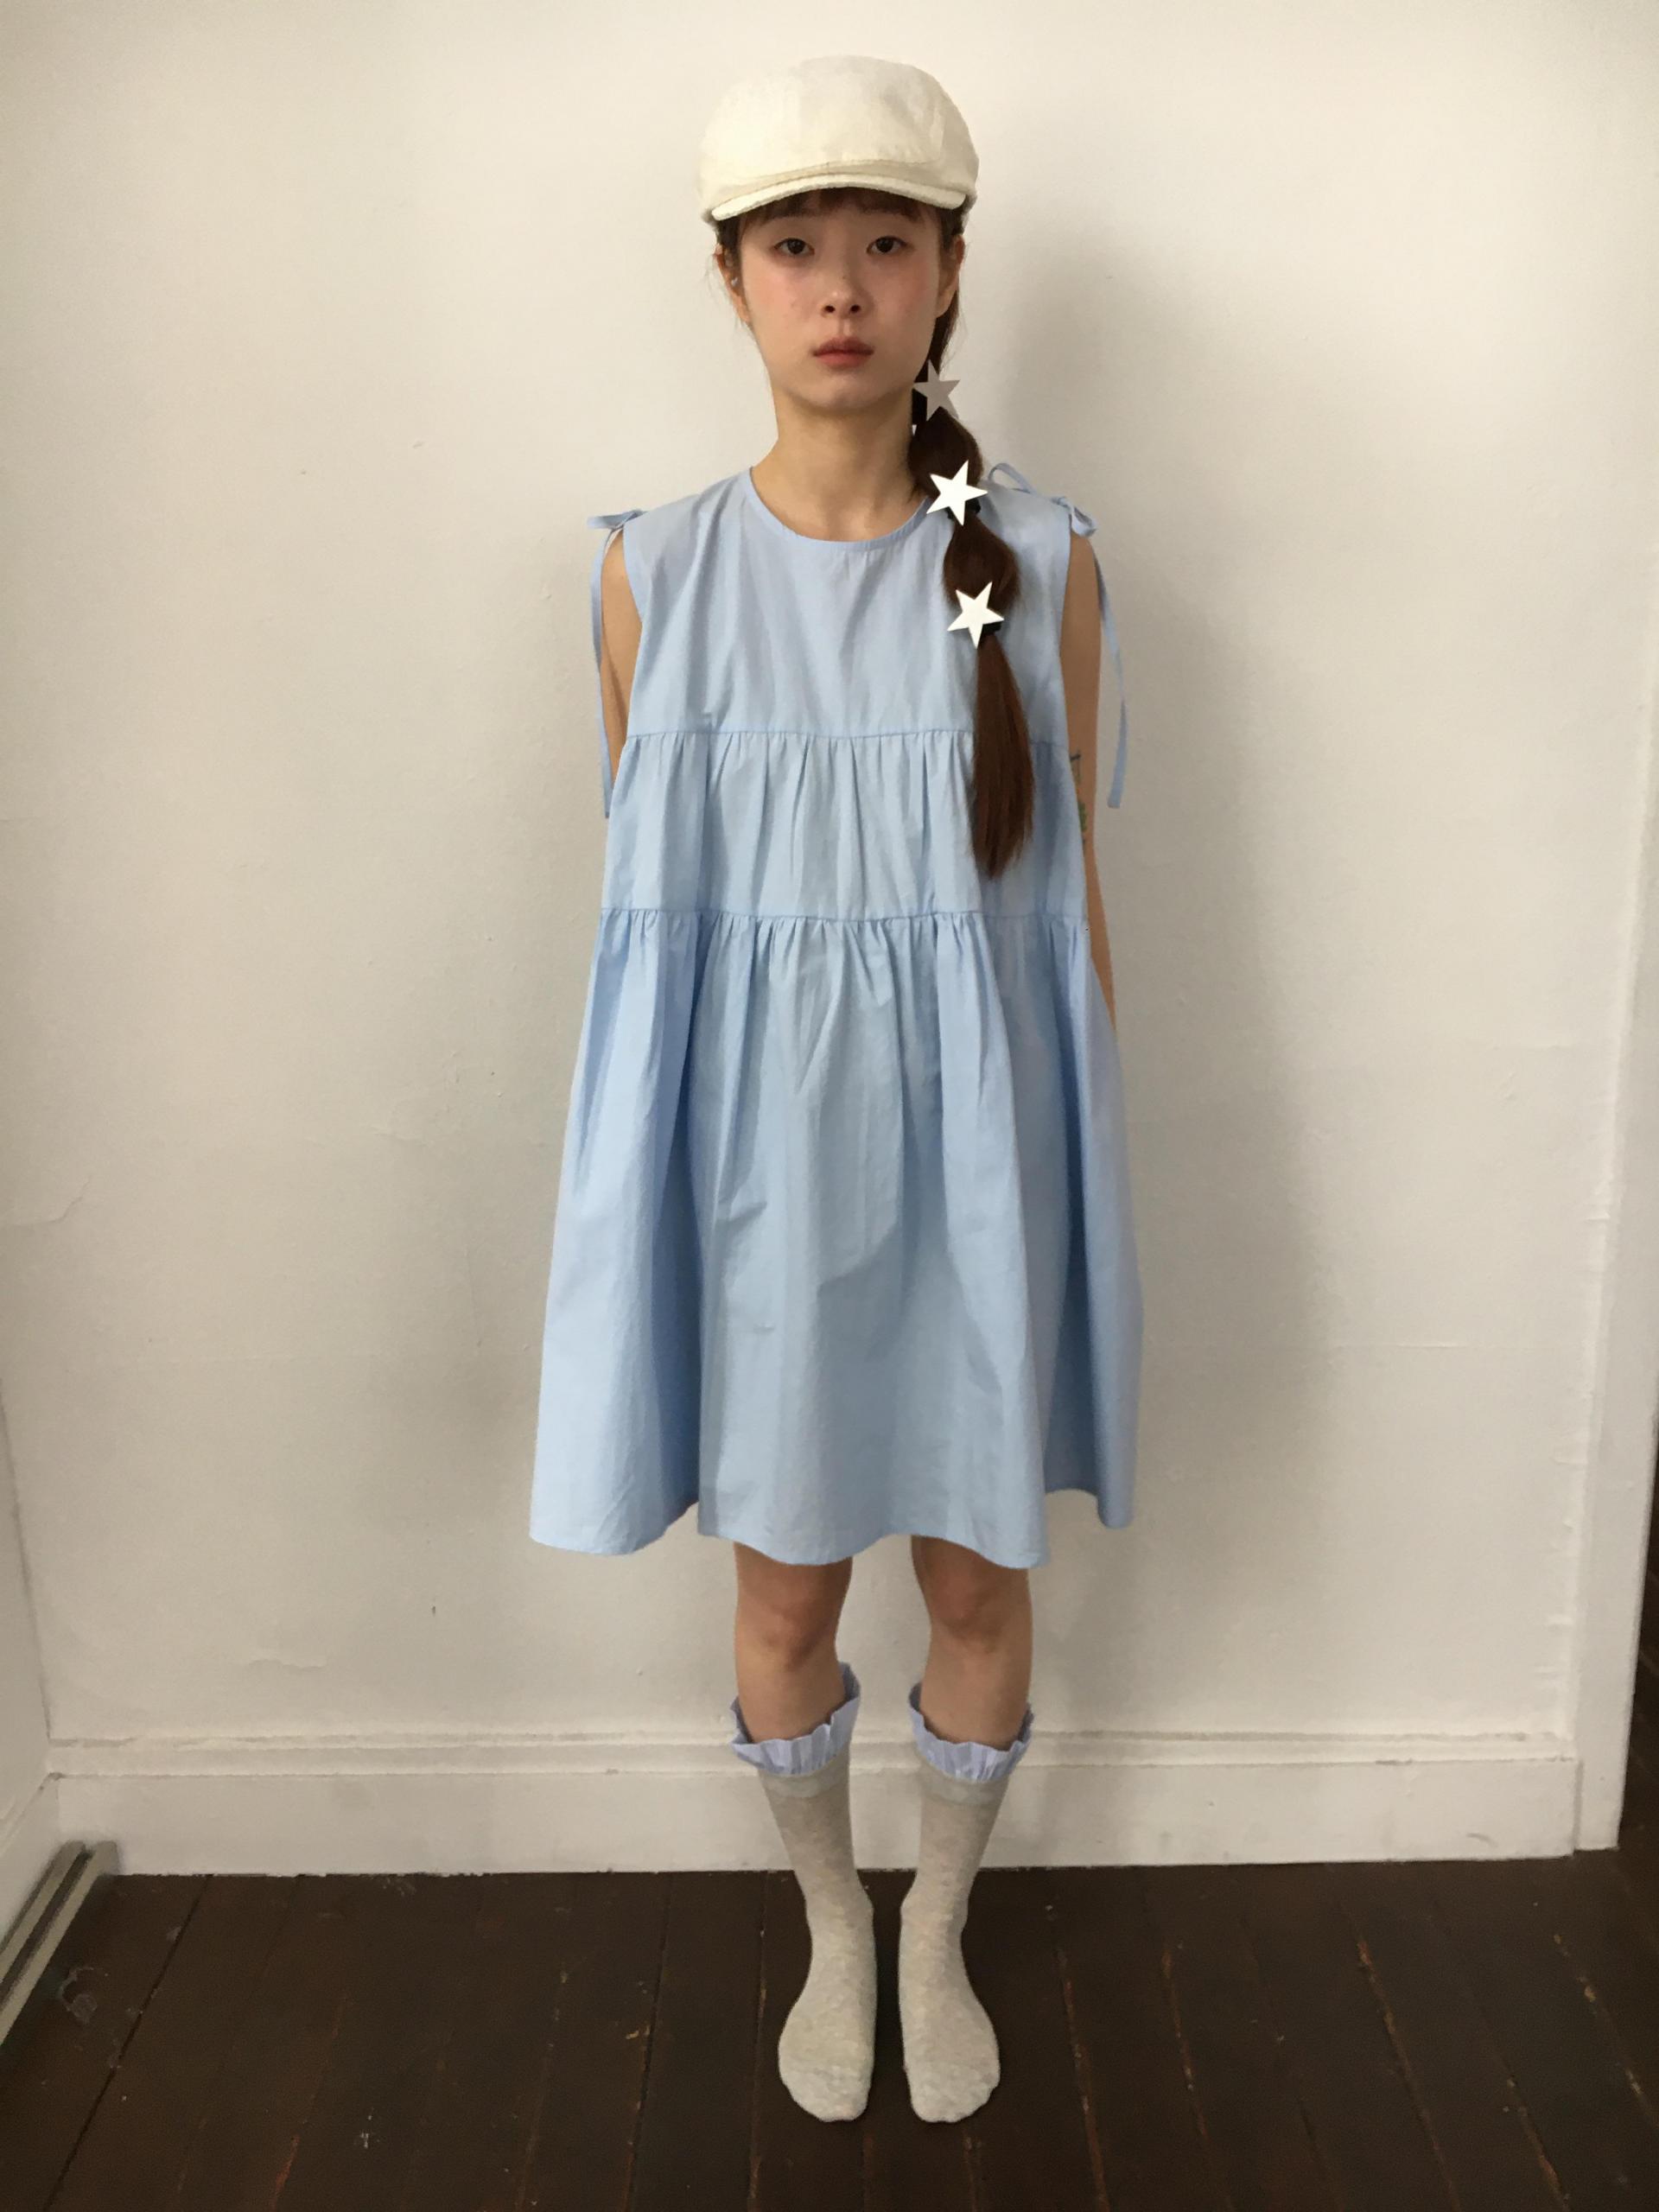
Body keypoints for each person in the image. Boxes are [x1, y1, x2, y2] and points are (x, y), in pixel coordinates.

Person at [530, 53, 1142, 2126]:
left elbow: (1073, 932)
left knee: (977, 1575)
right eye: (795, 244)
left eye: (888, 241)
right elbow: (666, 943)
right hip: (761, 1176)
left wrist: (1074, 1201)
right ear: (731, 279)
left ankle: (938, 1918)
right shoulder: (653, 574)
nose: (843, 287)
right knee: (784, 1584)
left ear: (952, 267)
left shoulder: (1045, 564)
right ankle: (831, 1917)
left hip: (980, 1162)